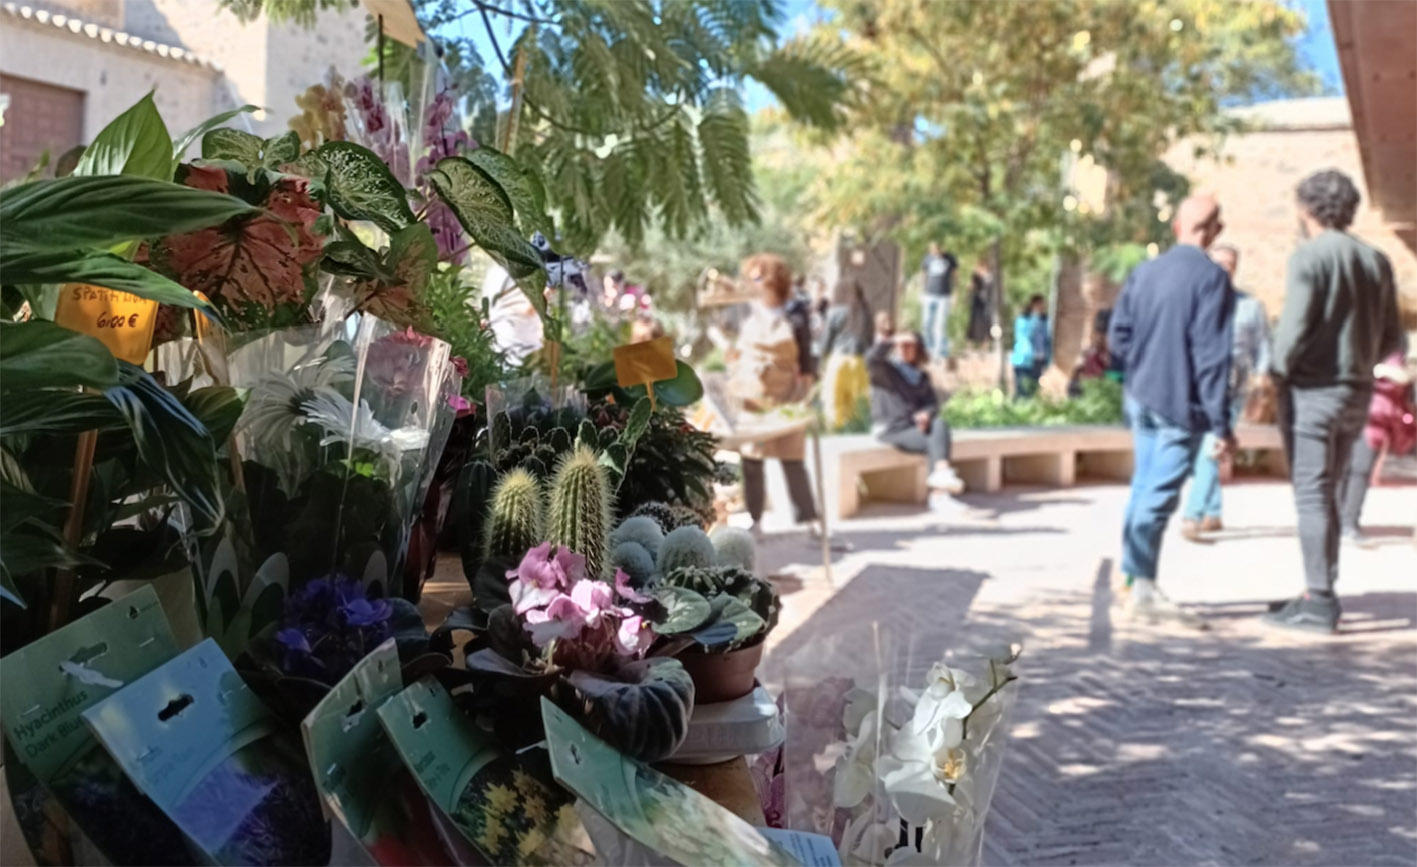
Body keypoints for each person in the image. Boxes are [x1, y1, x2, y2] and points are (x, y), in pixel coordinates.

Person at [1265, 169, 1404, 633]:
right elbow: (1391, 336)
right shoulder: (1376, 260)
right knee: (1331, 490)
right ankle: (1317, 589)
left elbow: (1293, 331)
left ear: (1308, 209)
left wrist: (1275, 374)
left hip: (1311, 391)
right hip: (1357, 392)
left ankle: (1320, 599)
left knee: (1311, 494)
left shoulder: (1309, 257)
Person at [1108, 193, 1234, 626]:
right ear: (1213, 230)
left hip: (1141, 395)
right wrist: (1221, 423)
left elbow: (1117, 337)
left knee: (1143, 488)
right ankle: (1141, 589)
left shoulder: (1145, 272)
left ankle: (1129, 580)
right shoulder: (1212, 279)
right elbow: (1212, 356)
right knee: (1158, 495)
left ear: (1177, 226)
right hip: (1180, 403)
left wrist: (1138, 371)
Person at [1180, 244, 1272, 539]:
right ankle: (1213, 511)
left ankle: (1192, 516)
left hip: (1232, 386)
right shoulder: (1193, 303)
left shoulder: (1251, 306)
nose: (1224, 269)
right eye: (1218, 263)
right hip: (1196, 386)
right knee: (1198, 449)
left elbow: (1264, 347)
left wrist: (1260, 380)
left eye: (1229, 264)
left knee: (1212, 447)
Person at [726, 253, 820, 537]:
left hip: (787, 393)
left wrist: (807, 390)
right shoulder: (745, 312)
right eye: (750, 277)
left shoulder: (795, 313)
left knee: (793, 458)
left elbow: (805, 356)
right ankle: (756, 520)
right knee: (752, 460)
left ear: (774, 281)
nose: (751, 283)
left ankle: (809, 520)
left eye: (757, 277)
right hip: (754, 394)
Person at [866, 322, 966, 497]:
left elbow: (932, 403)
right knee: (935, 442)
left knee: (940, 426)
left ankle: (941, 479)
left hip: (911, 429)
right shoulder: (885, 371)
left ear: (918, 349)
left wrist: (926, 414)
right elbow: (871, 359)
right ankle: (939, 494)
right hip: (890, 429)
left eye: (909, 346)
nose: (904, 349)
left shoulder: (920, 376)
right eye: (901, 346)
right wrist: (892, 340)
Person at [1339, 350, 1416, 545]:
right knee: (1349, 469)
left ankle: (1348, 521)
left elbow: (1404, 376)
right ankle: (1343, 521)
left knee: (1359, 470)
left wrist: (1382, 370)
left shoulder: (1395, 353)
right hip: (1358, 414)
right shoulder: (1363, 345)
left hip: (1376, 420)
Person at [817, 279, 875, 429]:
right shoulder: (866, 312)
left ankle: (834, 434)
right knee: (857, 405)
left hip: (838, 359)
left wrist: (821, 364)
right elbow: (870, 340)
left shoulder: (834, 312)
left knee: (833, 403)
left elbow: (826, 341)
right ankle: (855, 434)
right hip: (859, 361)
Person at [920, 242, 958, 359]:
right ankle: (928, 349)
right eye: (933, 249)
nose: (935, 252)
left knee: (940, 324)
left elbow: (955, 277)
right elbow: (923, 275)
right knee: (926, 323)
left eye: (937, 249)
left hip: (944, 296)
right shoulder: (927, 258)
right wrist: (921, 291)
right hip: (929, 294)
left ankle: (939, 352)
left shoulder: (950, 259)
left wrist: (955, 294)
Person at [1010, 294, 1051, 399]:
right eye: (1039, 305)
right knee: (1022, 391)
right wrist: (1035, 318)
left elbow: (1047, 341)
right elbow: (1024, 337)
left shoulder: (1045, 321)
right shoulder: (1023, 320)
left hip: (1038, 361)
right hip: (1023, 361)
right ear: (1033, 305)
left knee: (1032, 391)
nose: (1042, 307)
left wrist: (1048, 360)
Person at [966, 262, 993, 348]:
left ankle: (984, 346)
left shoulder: (990, 277)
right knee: (973, 324)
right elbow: (970, 287)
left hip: (986, 303)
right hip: (977, 303)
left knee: (987, 324)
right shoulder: (976, 277)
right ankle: (969, 346)